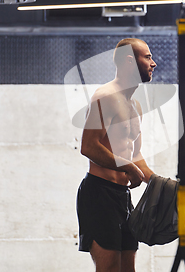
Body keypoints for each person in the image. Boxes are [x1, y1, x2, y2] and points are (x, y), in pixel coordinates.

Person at [77, 38, 157, 272]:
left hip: (122, 197)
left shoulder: (135, 105)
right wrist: (128, 168)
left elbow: (135, 153)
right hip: (99, 194)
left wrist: (157, 182)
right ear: (129, 61)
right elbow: (88, 147)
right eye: (148, 57)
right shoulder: (105, 96)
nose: (153, 63)